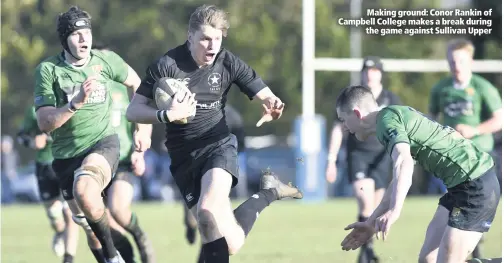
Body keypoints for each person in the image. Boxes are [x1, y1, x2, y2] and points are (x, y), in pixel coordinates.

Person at [126, 5, 303, 263]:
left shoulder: (226, 61)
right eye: (205, 39)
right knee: (229, 242)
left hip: (218, 147)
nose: (212, 46)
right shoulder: (166, 66)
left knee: (206, 211)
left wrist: (272, 103)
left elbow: (262, 91)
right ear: (190, 37)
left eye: (217, 39)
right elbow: (133, 111)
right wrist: (166, 115)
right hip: (184, 158)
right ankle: (268, 192)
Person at [34, 6, 151, 263]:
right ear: (65, 39)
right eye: (77, 34)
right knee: (90, 228)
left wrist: (143, 128)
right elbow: (44, 123)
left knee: (85, 189)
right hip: (65, 156)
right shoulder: (48, 70)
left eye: (87, 32)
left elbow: (138, 84)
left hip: (103, 145)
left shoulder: (106, 60)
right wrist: (75, 103)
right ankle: (113, 252)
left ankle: (114, 257)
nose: (84, 38)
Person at [336, 85, 500, 263]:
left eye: (343, 119)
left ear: (357, 113)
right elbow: (398, 177)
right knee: (428, 259)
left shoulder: (386, 122)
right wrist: (371, 223)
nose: (344, 127)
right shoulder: (391, 117)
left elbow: (404, 162)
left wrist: (395, 210)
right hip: (460, 186)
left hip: (475, 184)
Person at [428, 38, 502, 259]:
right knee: (458, 208)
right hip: (454, 160)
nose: (455, 66)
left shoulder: (482, 87)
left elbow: (500, 119)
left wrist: (474, 130)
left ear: (470, 60)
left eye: (460, 60)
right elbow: (431, 118)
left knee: (477, 207)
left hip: (482, 159)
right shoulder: (441, 89)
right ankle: (469, 245)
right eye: (451, 61)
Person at [326, 56, 401, 263]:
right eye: (366, 70)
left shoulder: (390, 99)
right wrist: (331, 160)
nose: (370, 73)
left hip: (382, 158)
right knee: (366, 204)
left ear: (380, 73)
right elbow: (338, 129)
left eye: (374, 70)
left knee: (375, 210)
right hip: (358, 156)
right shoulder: (352, 98)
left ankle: (367, 250)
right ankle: (366, 252)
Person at [93, 43, 156, 263]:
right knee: (102, 222)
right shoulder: (87, 90)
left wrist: (141, 151)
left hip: (123, 159)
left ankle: (140, 236)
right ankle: (127, 256)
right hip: (96, 160)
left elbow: (144, 118)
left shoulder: (126, 89)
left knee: (118, 209)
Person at [17, 105, 80, 263]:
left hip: (68, 163)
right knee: (54, 214)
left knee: (71, 214)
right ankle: (59, 232)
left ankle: (68, 258)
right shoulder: (34, 109)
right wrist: (32, 142)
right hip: (45, 165)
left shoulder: (74, 104)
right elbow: (20, 136)